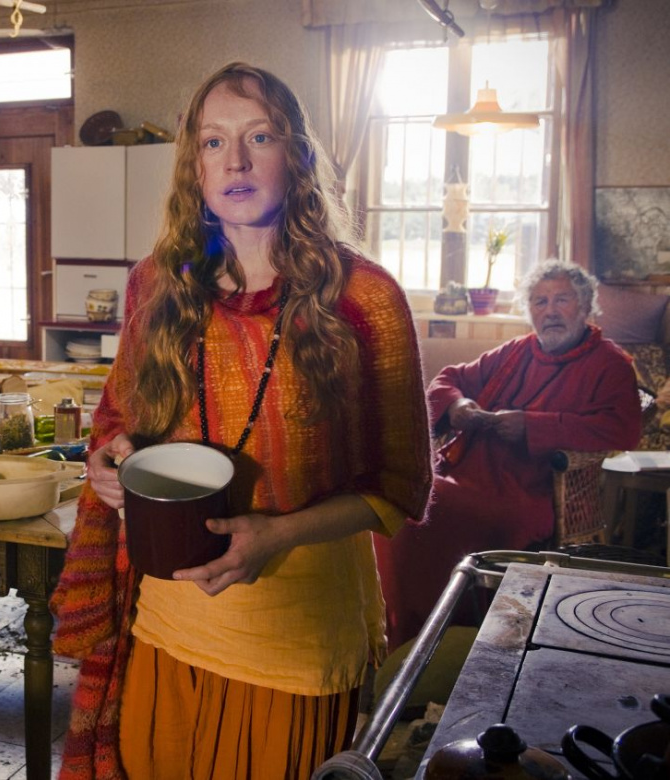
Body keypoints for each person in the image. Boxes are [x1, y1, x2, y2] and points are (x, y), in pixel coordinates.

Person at [48, 63, 432, 780]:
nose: (236, 161)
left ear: (297, 155)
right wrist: (109, 462)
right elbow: (116, 421)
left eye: (260, 136)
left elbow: (400, 487)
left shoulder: (366, 299)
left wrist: (279, 533)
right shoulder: (155, 283)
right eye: (214, 141)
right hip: (164, 624)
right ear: (194, 165)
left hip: (296, 641)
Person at [374, 258, 642, 652]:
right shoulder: (517, 351)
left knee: (435, 507)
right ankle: (404, 632)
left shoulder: (610, 364)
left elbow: (623, 430)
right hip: (467, 472)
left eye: (562, 299)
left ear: (586, 306)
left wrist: (532, 426)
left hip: (533, 488)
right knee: (399, 499)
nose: (550, 311)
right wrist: (458, 405)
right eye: (539, 301)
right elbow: (449, 379)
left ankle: (461, 635)